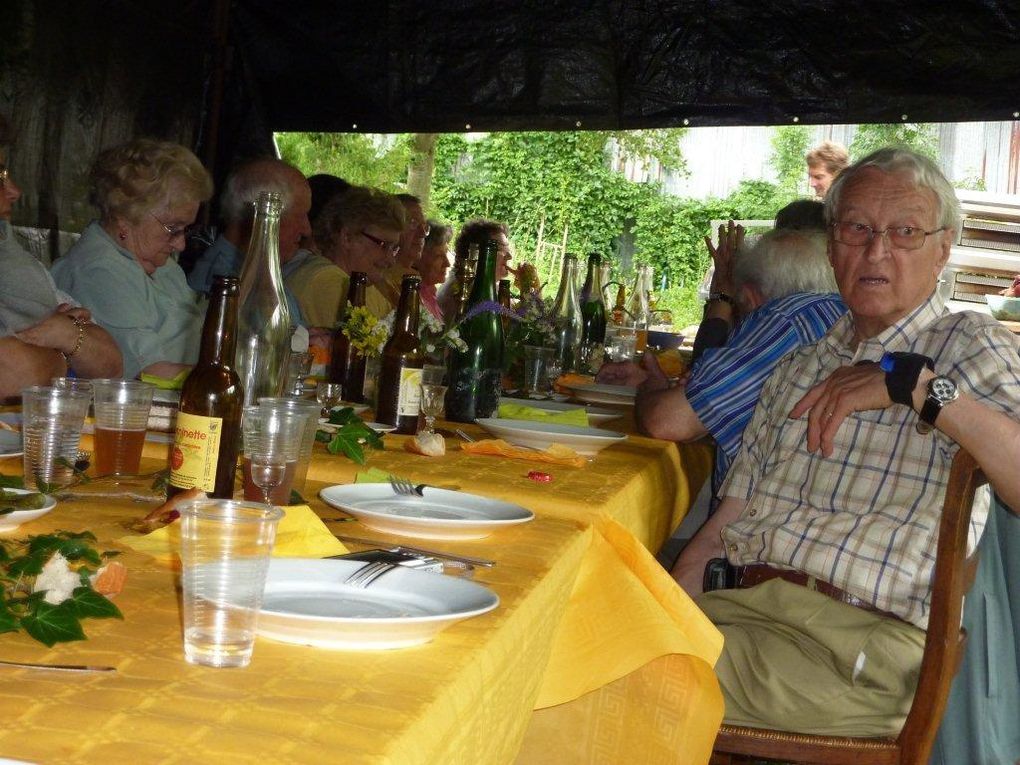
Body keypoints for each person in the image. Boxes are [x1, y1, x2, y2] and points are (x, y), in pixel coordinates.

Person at [671, 147, 1020, 737]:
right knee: (577, 631)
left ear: (943, 249)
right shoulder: (800, 367)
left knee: (604, 675)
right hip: (744, 616)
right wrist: (669, 610)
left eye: (905, 232)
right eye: (857, 228)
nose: (876, 250)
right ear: (831, 245)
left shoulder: (967, 344)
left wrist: (912, 386)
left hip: (858, 651)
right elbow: (722, 529)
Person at [599, 227, 845, 503]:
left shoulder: (782, 322)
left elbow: (666, 421)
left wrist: (651, 385)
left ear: (750, 297)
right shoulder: (838, 313)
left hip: (760, 522)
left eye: (739, 308)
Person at [51, 138, 212, 381]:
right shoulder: (98, 272)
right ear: (125, 217)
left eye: (186, 229)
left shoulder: (164, 266)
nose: (181, 244)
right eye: (173, 228)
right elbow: (147, 374)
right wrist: (231, 377)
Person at [0, 152, 122, 396]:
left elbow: (111, 366)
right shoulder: (98, 265)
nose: (14, 191)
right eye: (0, 177)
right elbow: (19, 369)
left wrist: (65, 334)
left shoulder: (14, 259)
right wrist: (64, 353)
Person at [186, 157, 311, 324]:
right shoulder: (223, 285)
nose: (307, 230)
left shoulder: (258, 272)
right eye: (299, 215)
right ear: (261, 215)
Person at [285, 185, 401, 327]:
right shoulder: (327, 281)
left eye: (394, 248)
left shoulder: (367, 284)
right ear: (347, 237)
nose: (391, 260)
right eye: (383, 245)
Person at [437, 219, 512, 319]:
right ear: (477, 253)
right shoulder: (464, 290)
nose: (509, 256)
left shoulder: (484, 285)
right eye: (501, 249)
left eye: (508, 248)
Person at [377, 193, 429, 306]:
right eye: (413, 223)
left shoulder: (414, 277)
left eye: (425, 226)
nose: (422, 234)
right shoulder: (378, 277)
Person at [417, 220, 452, 320]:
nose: (447, 263)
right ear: (419, 254)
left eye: (446, 254)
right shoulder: (412, 297)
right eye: (439, 256)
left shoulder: (430, 292)